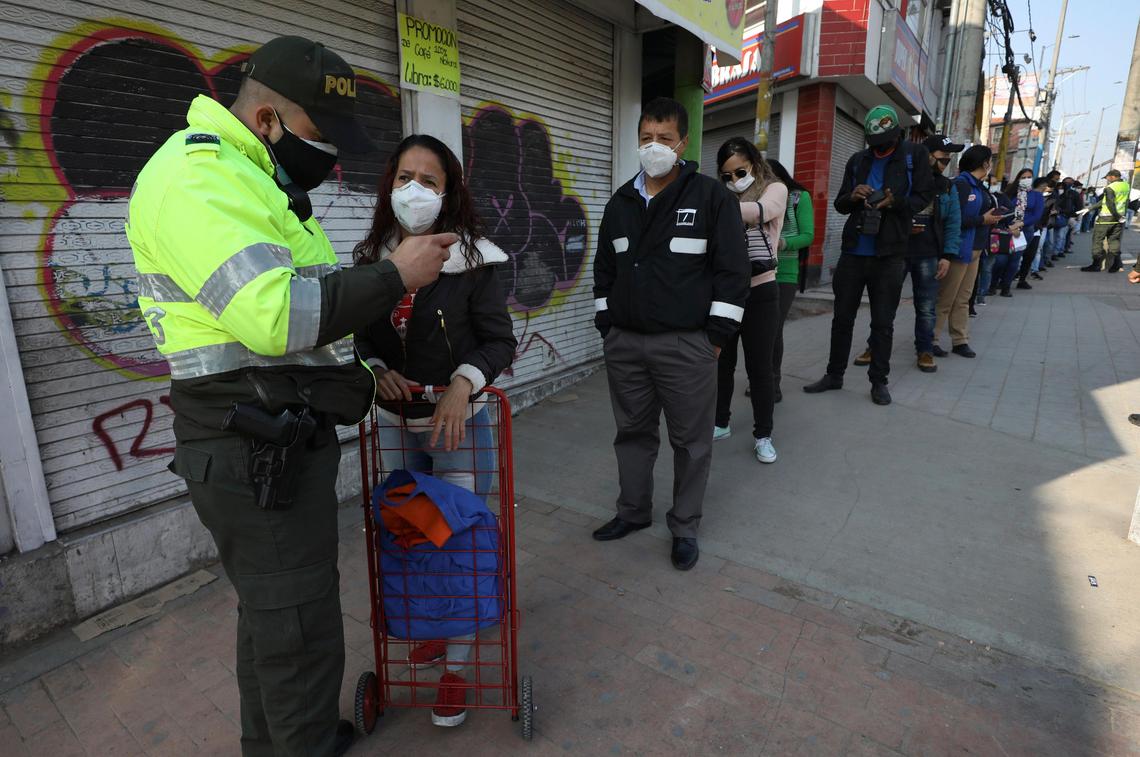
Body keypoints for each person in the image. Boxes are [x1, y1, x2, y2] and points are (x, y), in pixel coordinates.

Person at [125, 36, 453, 757]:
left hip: (276, 440)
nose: (328, 153)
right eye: (318, 134)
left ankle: (274, 741)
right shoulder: (196, 177)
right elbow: (275, 317)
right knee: (298, 630)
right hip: (252, 447)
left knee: (273, 620)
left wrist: (367, 371)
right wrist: (396, 275)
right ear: (268, 118)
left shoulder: (258, 181)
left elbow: (312, 309)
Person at [351, 135, 517, 728]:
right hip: (396, 424)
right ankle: (432, 628)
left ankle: (457, 670)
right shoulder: (373, 259)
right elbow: (361, 341)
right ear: (388, 185)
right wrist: (377, 370)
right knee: (409, 536)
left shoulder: (474, 260)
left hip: (459, 425)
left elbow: (500, 340)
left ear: (448, 193)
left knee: (460, 544)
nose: (413, 190)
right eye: (403, 177)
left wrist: (460, 384)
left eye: (428, 179)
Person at [591, 97, 749, 571]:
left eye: (663, 139)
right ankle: (633, 512)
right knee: (632, 434)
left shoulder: (709, 197)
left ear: (683, 143)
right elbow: (603, 271)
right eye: (645, 138)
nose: (653, 147)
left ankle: (684, 525)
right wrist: (607, 324)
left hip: (688, 345)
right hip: (626, 344)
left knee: (691, 442)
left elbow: (732, 273)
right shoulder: (621, 202)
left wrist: (715, 337)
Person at [802, 104, 933, 406]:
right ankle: (834, 375)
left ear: (895, 134)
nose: (877, 149)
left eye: (883, 142)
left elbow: (923, 196)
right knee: (841, 319)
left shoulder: (914, 156)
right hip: (853, 251)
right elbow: (840, 204)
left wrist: (894, 201)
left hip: (889, 254)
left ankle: (879, 382)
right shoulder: (857, 160)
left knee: (882, 322)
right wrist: (854, 195)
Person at [712, 139, 787, 464]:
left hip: (761, 292)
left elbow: (762, 212)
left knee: (760, 369)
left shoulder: (775, 189)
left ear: (755, 164)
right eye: (726, 176)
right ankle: (720, 422)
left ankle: (763, 434)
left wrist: (712, 203)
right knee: (721, 364)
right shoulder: (722, 196)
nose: (733, 180)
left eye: (739, 172)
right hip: (725, 292)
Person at [933, 145, 1002, 359]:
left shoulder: (980, 187)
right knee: (945, 299)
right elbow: (954, 219)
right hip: (958, 249)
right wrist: (983, 220)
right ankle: (930, 339)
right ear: (984, 163)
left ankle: (960, 340)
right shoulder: (961, 185)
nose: (991, 165)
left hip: (975, 250)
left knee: (963, 299)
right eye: (990, 161)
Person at [767, 158, 814, 399]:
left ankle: (772, 382)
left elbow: (807, 235)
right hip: (757, 273)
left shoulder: (798, 198)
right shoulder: (756, 199)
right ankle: (761, 378)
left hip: (785, 273)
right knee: (758, 331)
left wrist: (783, 243)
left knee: (773, 330)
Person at [992, 169, 1044, 297]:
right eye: (1023, 177)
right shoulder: (1010, 192)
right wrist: (1009, 223)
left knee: (1015, 259)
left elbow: (1037, 215)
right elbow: (1002, 209)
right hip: (1006, 229)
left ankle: (1006, 287)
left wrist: (1021, 224)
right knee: (1000, 260)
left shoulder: (1036, 195)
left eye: (1029, 177)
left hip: (1024, 231)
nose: (1026, 179)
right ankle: (993, 284)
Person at [1084, 169, 1130, 272]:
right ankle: (1116, 264)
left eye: (1107, 178)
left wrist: (1116, 215)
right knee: (1114, 242)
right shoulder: (1126, 186)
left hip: (1105, 219)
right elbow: (1125, 202)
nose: (1107, 180)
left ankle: (1096, 265)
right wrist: (1090, 208)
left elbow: (1109, 204)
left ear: (1112, 177)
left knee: (1097, 241)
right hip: (1118, 220)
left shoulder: (1110, 188)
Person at [1015, 177, 1053, 290]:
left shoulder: (1038, 196)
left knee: (1029, 255)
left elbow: (1038, 215)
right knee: (1016, 256)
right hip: (1019, 228)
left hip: (1034, 229)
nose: (1046, 188)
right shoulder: (1021, 194)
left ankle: (1022, 278)